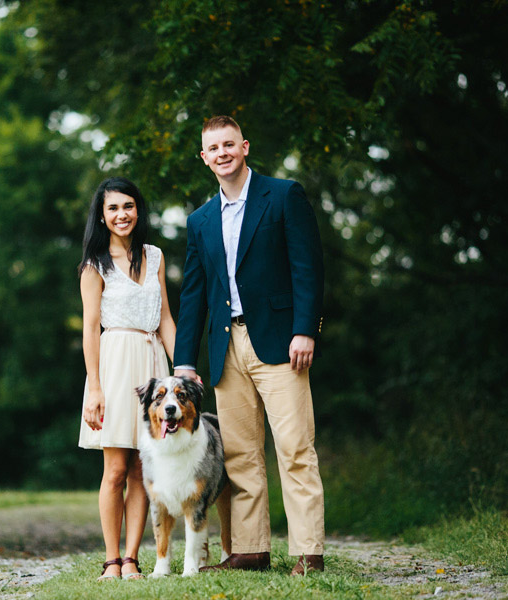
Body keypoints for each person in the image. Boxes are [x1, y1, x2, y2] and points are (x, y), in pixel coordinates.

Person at [173, 115, 326, 575]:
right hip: (226, 348)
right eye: (212, 148)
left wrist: (306, 329)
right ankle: (250, 551)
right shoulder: (199, 220)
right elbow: (194, 293)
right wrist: (183, 361)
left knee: (295, 447)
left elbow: (308, 267)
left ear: (244, 147)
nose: (221, 153)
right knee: (239, 454)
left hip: (281, 341)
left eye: (228, 144)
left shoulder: (283, 196)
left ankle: (308, 553)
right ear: (204, 158)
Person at [77, 177, 177, 581]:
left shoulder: (154, 256)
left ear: (139, 210)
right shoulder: (94, 264)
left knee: (142, 469)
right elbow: (90, 328)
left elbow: (166, 317)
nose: (122, 214)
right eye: (114, 208)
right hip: (115, 364)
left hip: (153, 364)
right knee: (115, 469)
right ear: (102, 216)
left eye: (129, 206)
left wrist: (181, 367)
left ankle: (133, 558)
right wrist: (95, 387)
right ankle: (111, 561)